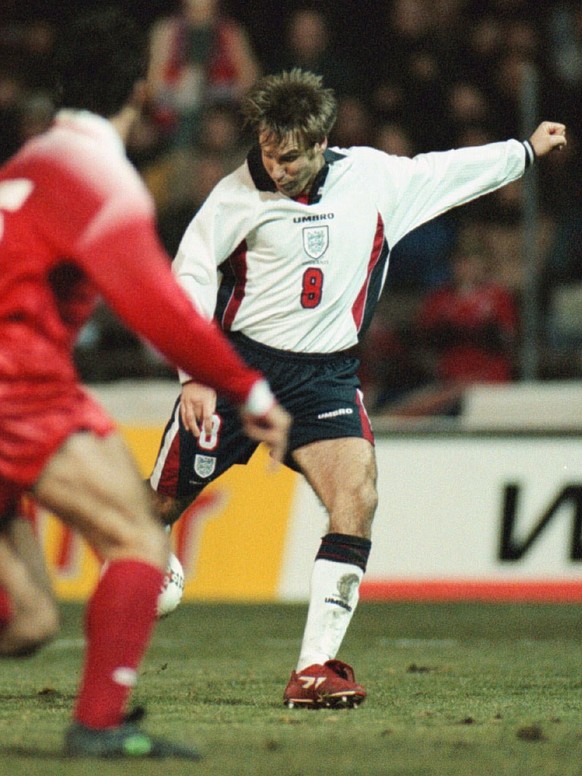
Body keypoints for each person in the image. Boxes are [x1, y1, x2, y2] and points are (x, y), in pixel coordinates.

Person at [148, 68, 566, 709]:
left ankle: (314, 669)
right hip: (237, 370)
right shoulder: (234, 198)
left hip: (325, 377)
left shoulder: (375, 179)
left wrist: (526, 151)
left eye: (289, 157)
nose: (276, 167)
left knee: (358, 495)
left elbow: (449, 171)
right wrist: (194, 377)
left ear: (320, 143)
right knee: (152, 518)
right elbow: (188, 283)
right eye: (266, 151)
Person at [0, 8, 289, 759]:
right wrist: (249, 389)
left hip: (23, 385)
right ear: (143, 87)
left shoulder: (27, 164)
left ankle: (97, 721)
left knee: (28, 623)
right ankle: (97, 726)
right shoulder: (101, 178)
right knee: (138, 539)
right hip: (16, 393)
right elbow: (157, 308)